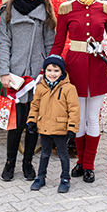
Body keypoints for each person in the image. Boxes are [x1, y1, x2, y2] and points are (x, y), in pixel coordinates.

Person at [50, 0, 107, 183]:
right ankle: (81, 162)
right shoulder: (66, 9)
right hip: (74, 69)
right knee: (79, 119)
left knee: (93, 118)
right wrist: (51, 65)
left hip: (98, 68)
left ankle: (89, 165)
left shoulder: (106, 8)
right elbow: (58, 41)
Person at [0, 0, 57, 182]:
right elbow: (3, 43)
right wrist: (4, 71)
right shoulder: (8, 10)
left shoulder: (46, 11)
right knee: (16, 123)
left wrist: (49, 73)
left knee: (34, 124)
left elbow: (51, 45)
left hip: (37, 76)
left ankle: (27, 163)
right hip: (15, 76)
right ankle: (10, 162)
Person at [27, 55, 80, 193]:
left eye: (56, 70)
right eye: (49, 70)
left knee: (63, 154)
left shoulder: (69, 88)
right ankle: (41, 177)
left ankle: (65, 179)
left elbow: (74, 109)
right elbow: (35, 106)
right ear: (44, 71)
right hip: (44, 126)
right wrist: (32, 120)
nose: (52, 74)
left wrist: (72, 128)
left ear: (62, 72)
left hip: (61, 128)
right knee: (45, 153)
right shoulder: (40, 87)